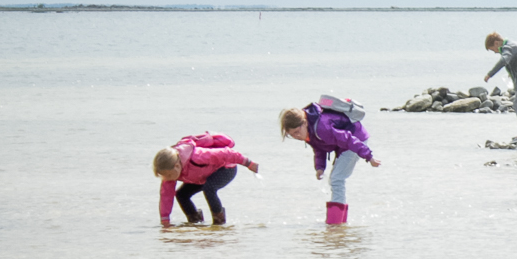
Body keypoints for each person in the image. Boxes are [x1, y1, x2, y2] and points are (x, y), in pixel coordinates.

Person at [280, 95, 380, 225]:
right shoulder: (310, 130)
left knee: (337, 179)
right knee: (336, 179)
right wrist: (320, 167)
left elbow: (349, 139)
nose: (297, 136)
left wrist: (369, 156)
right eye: (292, 135)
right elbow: (319, 147)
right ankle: (338, 224)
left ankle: (334, 224)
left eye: (297, 132)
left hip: (356, 140)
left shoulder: (322, 128)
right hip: (344, 145)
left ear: (304, 122)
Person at [153, 133, 258, 226]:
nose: (167, 179)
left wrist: (248, 163)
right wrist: (165, 220)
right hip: (202, 176)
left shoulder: (197, 156)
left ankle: (219, 223)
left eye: (169, 175)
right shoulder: (169, 173)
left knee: (209, 188)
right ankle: (195, 223)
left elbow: (227, 153)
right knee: (181, 194)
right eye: (164, 176)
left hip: (225, 169)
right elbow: (166, 196)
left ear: (176, 166)